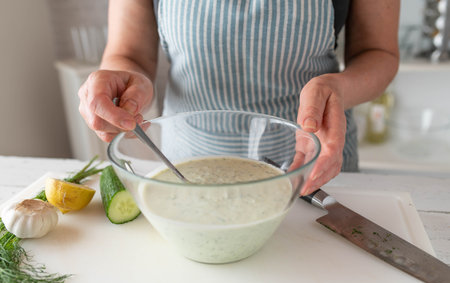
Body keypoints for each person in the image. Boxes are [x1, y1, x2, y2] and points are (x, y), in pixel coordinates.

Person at [78, 0, 400, 195]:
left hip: (314, 174)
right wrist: (122, 81)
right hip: (185, 171)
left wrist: (338, 88)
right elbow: (128, 53)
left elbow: (379, 53)